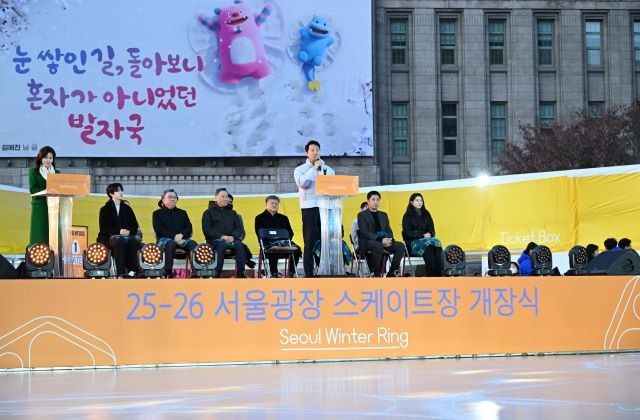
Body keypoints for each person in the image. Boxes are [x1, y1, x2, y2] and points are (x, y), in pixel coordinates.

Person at [294, 139, 335, 277]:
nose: (315, 152)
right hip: (309, 207)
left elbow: (334, 186)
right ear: (307, 153)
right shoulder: (300, 169)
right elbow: (303, 184)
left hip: (326, 206)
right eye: (312, 150)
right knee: (309, 240)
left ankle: (325, 270)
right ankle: (309, 272)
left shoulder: (328, 169)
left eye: (317, 150)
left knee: (325, 240)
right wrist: (314, 169)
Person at [357, 190, 406, 277]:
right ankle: (377, 273)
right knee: (377, 245)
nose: (376, 202)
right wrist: (380, 239)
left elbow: (388, 230)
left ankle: (392, 272)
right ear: (368, 201)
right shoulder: (362, 215)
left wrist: (389, 239)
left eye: (378, 200)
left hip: (384, 240)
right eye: (373, 199)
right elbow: (364, 232)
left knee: (400, 246)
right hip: (368, 241)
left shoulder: (383, 215)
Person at [201, 188, 248, 278]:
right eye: (222, 196)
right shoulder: (208, 212)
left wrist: (233, 236)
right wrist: (221, 236)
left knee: (240, 245)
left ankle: (241, 273)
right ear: (216, 198)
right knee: (221, 245)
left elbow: (239, 228)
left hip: (231, 240)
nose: (225, 199)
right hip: (215, 240)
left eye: (226, 197)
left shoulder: (233, 213)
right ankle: (217, 274)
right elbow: (207, 230)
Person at [97, 183, 141, 277]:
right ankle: (120, 273)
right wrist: (118, 231)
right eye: (118, 190)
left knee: (134, 242)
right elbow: (104, 228)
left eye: (121, 190)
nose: (121, 192)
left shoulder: (128, 209)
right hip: (110, 238)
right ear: (111, 194)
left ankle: (133, 272)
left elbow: (134, 226)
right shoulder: (104, 209)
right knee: (119, 242)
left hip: (127, 237)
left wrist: (129, 231)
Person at [152, 189, 197, 278]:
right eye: (170, 197)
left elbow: (189, 228)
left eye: (174, 197)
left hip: (181, 239)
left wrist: (181, 235)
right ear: (163, 200)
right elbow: (159, 230)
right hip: (165, 240)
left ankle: (196, 272)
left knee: (193, 244)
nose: (173, 199)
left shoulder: (182, 213)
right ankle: (167, 272)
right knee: (171, 243)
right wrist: (174, 237)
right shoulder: (157, 213)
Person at [254, 195, 301, 277]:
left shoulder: (284, 218)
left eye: (276, 203)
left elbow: (290, 233)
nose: (274, 205)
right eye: (272, 203)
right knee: (274, 248)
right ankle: (274, 273)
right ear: (266, 204)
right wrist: (273, 239)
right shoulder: (259, 218)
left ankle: (291, 273)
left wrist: (282, 241)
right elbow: (259, 234)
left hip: (283, 243)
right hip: (268, 243)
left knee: (297, 249)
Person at [401, 193, 443, 277]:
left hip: (427, 240)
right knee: (429, 247)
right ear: (411, 202)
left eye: (421, 200)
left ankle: (439, 273)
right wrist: (422, 235)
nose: (420, 202)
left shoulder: (426, 213)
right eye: (417, 200)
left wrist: (430, 234)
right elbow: (407, 233)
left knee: (437, 244)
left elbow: (432, 229)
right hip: (413, 243)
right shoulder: (407, 216)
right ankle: (431, 275)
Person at [28, 146, 60, 246]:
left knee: (53, 232)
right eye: (46, 157)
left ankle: (54, 252)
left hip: (54, 206)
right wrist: (47, 190)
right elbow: (33, 189)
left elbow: (60, 188)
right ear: (40, 158)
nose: (48, 160)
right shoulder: (34, 172)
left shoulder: (57, 173)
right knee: (40, 232)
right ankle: (37, 251)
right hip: (40, 206)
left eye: (51, 158)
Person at [227, 193, 256, 269]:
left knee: (240, 246)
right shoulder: (216, 215)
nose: (229, 204)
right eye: (227, 202)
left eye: (231, 202)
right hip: (221, 241)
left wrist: (235, 239)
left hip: (235, 241)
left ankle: (241, 272)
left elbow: (242, 233)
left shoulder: (238, 216)